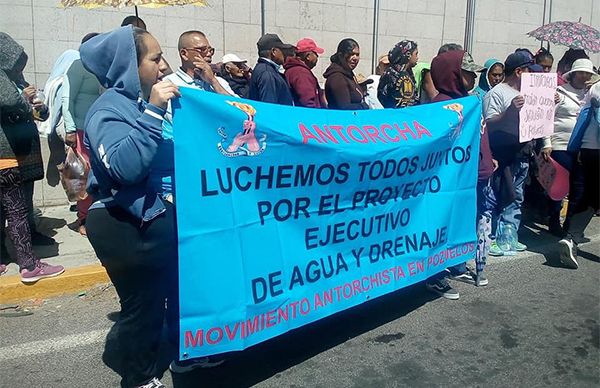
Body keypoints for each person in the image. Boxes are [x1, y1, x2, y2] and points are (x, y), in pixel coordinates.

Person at [79, 26, 182, 388]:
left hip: (148, 222)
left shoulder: (133, 103)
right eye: (155, 58)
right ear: (128, 64)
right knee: (142, 307)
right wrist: (154, 110)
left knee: (158, 301)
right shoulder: (106, 110)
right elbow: (125, 168)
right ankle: (138, 378)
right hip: (123, 225)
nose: (164, 65)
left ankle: (162, 355)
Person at [426, 49, 491, 297]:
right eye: (467, 73)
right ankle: (434, 275)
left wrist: (489, 158)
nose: (474, 79)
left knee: (463, 223)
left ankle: (456, 263)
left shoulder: (471, 101)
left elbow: (482, 134)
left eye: (475, 75)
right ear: (452, 73)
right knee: (442, 224)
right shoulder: (440, 105)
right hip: (451, 180)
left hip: (476, 176)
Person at [0, 32, 65, 282]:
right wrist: (25, 100)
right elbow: (9, 101)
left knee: (12, 209)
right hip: (8, 156)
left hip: (21, 153)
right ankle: (28, 265)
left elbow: (40, 113)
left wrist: (38, 106)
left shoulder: (14, 78)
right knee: (17, 211)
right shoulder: (4, 80)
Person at [483, 52, 538, 256]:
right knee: (500, 194)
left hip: (522, 152)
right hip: (502, 154)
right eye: (529, 71)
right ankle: (494, 236)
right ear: (518, 71)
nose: (533, 75)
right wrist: (509, 113)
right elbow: (487, 124)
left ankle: (510, 234)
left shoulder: (531, 93)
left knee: (517, 196)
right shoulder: (497, 93)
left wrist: (552, 102)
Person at [541, 59, 595, 237]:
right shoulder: (559, 93)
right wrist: (546, 143)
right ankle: (554, 220)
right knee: (560, 185)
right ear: (572, 74)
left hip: (582, 147)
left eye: (587, 73)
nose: (584, 76)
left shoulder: (591, 94)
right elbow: (547, 118)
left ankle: (571, 227)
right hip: (560, 145)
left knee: (578, 188)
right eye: (581, 73)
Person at [61, 33, 101, 236]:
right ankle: (83, 218)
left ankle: (98, 214)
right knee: (82, 174)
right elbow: (67, 99)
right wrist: (69, 129)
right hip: (80, 129)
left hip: (99, 128)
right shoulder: (77, 66)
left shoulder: (102, 66)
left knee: (99, 173)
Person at [558, 79, 600, 268]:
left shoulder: (595, 87)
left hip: (587, 148)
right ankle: (571, 237)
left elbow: (582, 115)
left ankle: (571, 238)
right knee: (590, 198)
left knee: (589, 198)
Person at [167, 31, 235, 96]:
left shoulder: (220, 82)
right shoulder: (169, 83)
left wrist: (214, 82)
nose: (209, 54)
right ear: (184, 54)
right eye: (202, 50)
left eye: (210, 50)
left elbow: (238, 106)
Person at [248, 33, 295, 105]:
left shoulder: (263, 69)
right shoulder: (267, 73)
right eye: (281, 50)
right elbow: (269, 106)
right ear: (274, 51)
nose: (284, 54)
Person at [323, 38, 367, 110]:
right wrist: (363, 106)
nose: (355, 58)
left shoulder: (348, 75)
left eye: (357, 54)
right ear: (340, 55)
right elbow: (344, 107)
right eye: (351, 54)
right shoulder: (337, 78)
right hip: (341, 120)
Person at [284, 37, 326, 108]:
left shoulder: (294, 70)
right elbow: (307, 101)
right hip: (309, 116)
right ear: (308, 56)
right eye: (315, 53)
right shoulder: (301, 73)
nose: (317, 56)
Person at [377, 40, 419, 108]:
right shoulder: (390, 73)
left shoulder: (409, 73)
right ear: (408, 55)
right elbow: (382, 95)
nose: (417, 58)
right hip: (395, 115)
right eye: (416, 54)